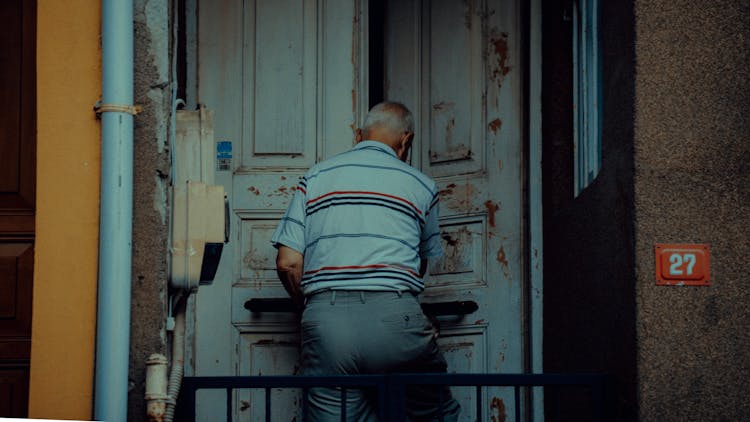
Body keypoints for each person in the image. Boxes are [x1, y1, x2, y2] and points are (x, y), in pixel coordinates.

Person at [271, 101, 460, 421]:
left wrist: (313, 306)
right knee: (434, 414)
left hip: (328, 323)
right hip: (395, 318)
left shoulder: (316, 176)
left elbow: (287, 262)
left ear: (360, 135)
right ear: (406, 141)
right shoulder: (423, 185)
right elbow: (420, 264)